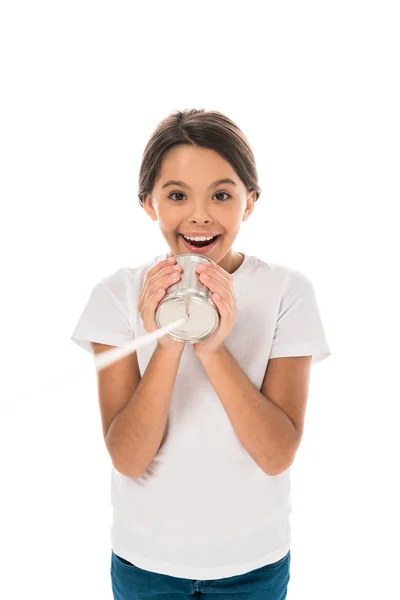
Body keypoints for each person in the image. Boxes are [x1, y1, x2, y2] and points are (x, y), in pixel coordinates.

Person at [71, 108, 331, 599]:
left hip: (252, 565)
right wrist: (167, 343)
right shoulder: (116, 295)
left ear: (249, 202)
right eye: (176, 195)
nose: (199, 214)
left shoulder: (287, 292)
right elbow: (128, 458)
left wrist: (212, 347)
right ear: (148, 203)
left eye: (221, 194)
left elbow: (276, 455)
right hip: (146, 564)